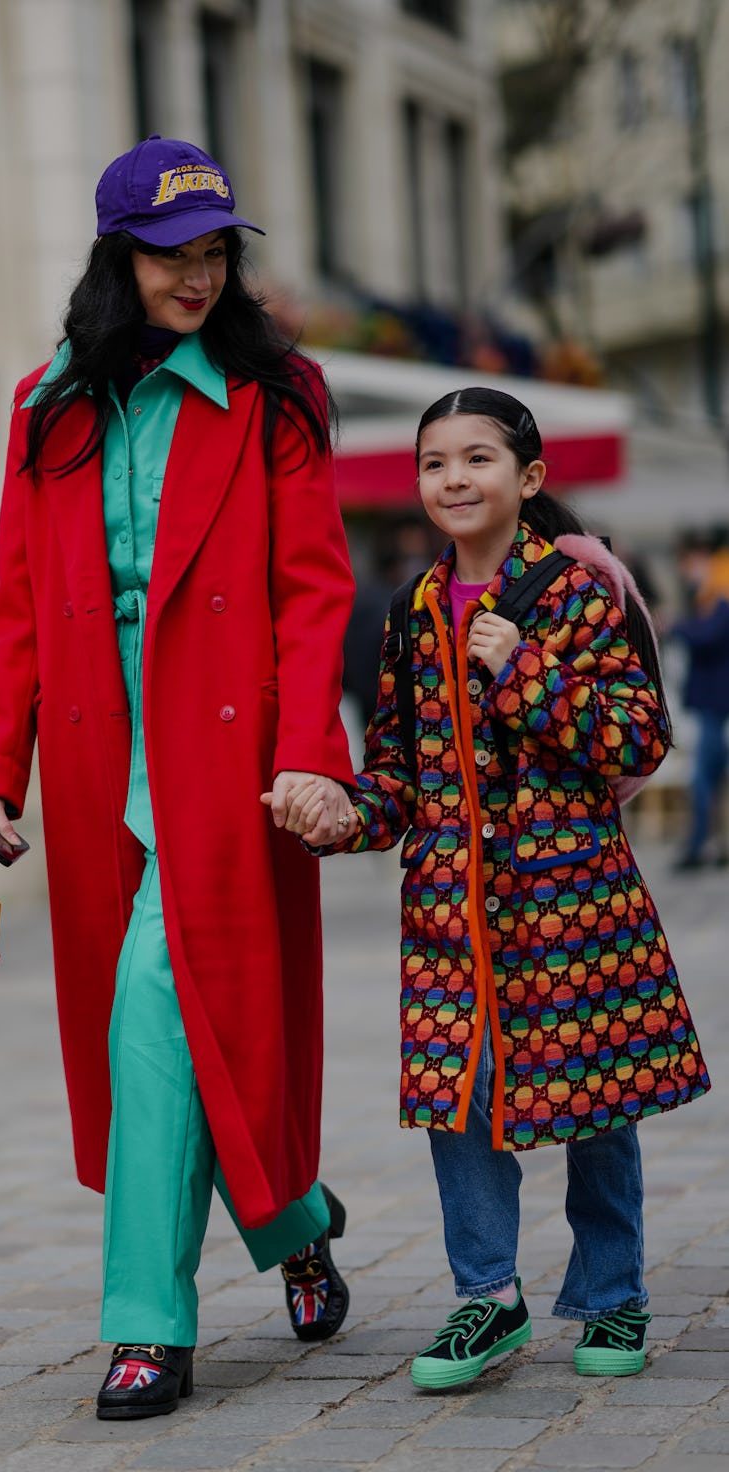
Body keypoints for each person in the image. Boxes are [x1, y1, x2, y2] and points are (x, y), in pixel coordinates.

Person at [0, 135, 355, 1420]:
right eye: (173, 254)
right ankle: (297, 1217)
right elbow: (16, 605)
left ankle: (144, 1324)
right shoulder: (47, 402)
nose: (198, 274)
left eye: (216, 250)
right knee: (183, 1029)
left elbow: (312, 585)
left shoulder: (280, 389)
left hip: (223, 749)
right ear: (118, 255)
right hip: (89, 749)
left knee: (154, 1005)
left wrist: (307, 753)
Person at [281, 387, 711, 1388]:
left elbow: (638, 735)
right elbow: (398, 772)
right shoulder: (411, 611)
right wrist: (347, 814)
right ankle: (488, 1299)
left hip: (572, 905)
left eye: (478, 459)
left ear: (528, 479)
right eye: (436, 462)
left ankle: (615, 1295)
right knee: (456, 1105)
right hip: (448, 913)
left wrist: (526, 673)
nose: (454, 478)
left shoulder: (576, 593)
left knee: (596, 1105)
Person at [669, 529, 729, 870]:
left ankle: (698, 846)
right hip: (712, 702)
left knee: (703, 779)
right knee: (711, 777)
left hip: (715, 702)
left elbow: (708, 635)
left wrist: (677, 625)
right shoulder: (710, 593)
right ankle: (710, 845)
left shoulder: (720, 592)